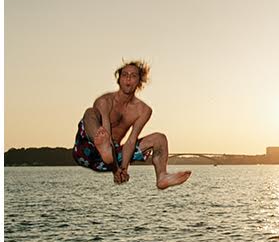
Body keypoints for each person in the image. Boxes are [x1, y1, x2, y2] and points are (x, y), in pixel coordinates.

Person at [72, 61, 191, 189]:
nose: (128, 78)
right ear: (119, 79)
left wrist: (122, 169)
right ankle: (102, 144)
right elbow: (106, 132)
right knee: (90, 112)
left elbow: (131, 141)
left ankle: (162, 176)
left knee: (160, 138)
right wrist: (114, 169)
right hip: (86, 151)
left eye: (133, 75)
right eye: (125, 75)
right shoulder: (104, 101)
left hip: (114, 157)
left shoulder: (143, 110)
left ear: (139, 82)